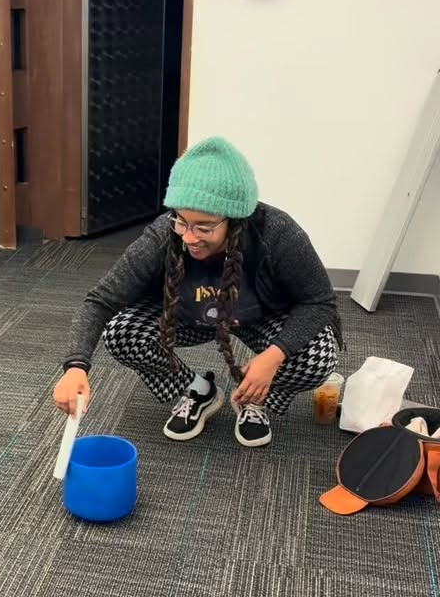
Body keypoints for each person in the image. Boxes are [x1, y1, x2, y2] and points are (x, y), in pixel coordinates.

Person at [53, 137, 342, 448]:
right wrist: (75, 367)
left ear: (236, 219)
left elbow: (320, 301)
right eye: (181, 221)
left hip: (262, 319)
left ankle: (255, 396)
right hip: (191, 315)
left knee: (318, 356)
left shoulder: (278, 232)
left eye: (204, 227)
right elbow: (101, 300)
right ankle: (199, 391)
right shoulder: (165, 233)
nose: (189, 237)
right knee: (120, 332)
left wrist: (273, 357)